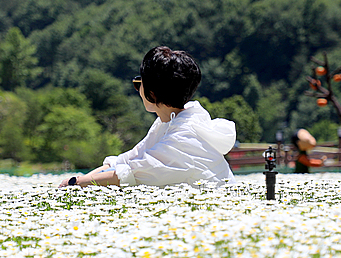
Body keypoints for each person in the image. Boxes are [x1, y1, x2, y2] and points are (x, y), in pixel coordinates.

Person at [58, 46, 236, 187]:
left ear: (152, 92)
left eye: (139, 83)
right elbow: (127, 160)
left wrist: (78, 183)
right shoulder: (168, 122)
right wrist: (84, 179)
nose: (138, 89)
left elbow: (134, 173)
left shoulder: (185, 136)